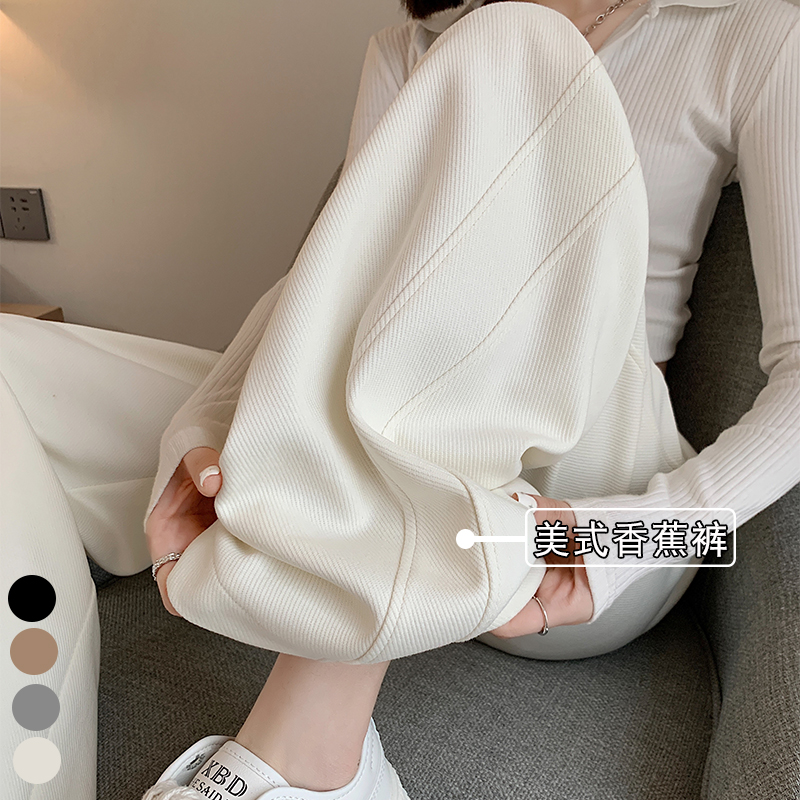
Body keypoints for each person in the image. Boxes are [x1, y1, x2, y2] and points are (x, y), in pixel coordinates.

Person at [0, 0, 796, 798]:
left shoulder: (748, 29)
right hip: (415, 492)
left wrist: (638, 538)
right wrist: (201, 427)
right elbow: (328, 292)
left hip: (580, 523)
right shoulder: (408, 46)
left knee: (516, 42)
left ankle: (307, 761)